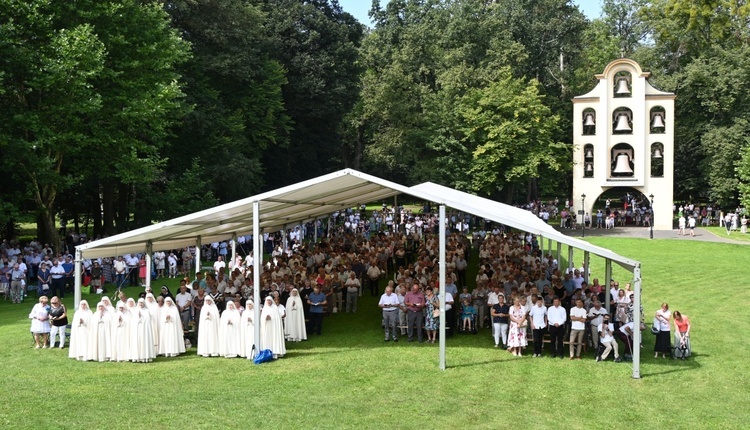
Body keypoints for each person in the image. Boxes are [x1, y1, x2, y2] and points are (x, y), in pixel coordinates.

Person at [130, 298, 155, 362]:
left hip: (145, 330)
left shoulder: (147, 311)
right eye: (139, 303)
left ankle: (145, 356)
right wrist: (139, 317)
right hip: (137, 330)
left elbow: (148, 320)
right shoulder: (135, 311)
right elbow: (134, 321)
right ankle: (137, 357)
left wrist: (141, 317)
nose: (140, 304)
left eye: (142, 303)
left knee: (145, 341)